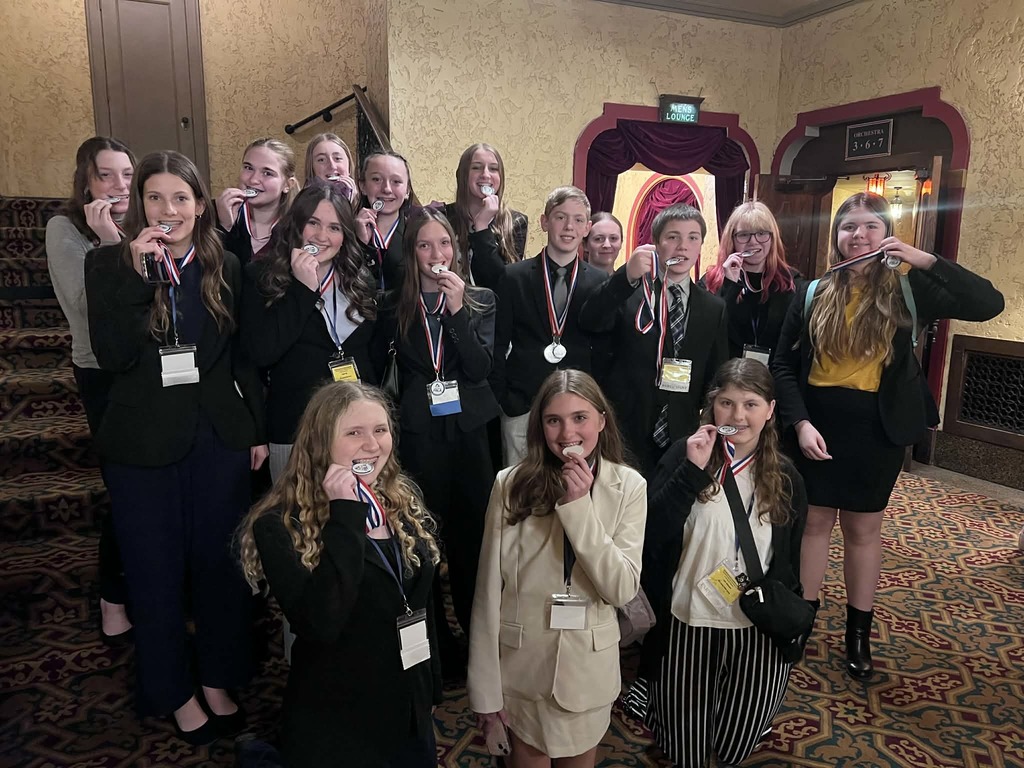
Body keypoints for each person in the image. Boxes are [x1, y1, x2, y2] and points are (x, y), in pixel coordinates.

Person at [772, 192, 1004, 679]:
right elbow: (783, 365)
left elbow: (988, 302)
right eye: (848, 227)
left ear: (886, 233)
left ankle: (858, 635)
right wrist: (800, 422)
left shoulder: (909, 289)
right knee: (813, 526)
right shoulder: (812, 291)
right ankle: (802, 622)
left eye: (869, 226)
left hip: (876, 429)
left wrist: (922, 259)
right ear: (836, 236)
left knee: (862, 530)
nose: (857, 235)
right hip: (816, 425)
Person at [84, 150, 267, 743]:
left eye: (181, 198)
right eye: (156, 198)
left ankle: (217, 675)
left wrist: (255, 428)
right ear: (140, 204)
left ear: (198, 205)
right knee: (155, 571)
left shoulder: (224, 264)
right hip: (141, 445)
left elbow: (241, 357)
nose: (169, 210)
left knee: (221, 565)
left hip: (217, 436)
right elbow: (113, 356)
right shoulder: (108, 265)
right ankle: (173, 690)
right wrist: (136, 281)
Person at [239, 382, 442, 767]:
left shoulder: (402, 500)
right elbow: (321, 623)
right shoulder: (280, 526)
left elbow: (421, 603)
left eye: (380, 430)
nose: (372, 444)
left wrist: (428, 692)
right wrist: (345, 514)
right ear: (320, 443)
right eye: (354, 433)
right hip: (339, 711)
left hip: (406, 701)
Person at [468, 369, 647, 768]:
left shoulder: (629, 487)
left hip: (587, 671)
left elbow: (620, 589)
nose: (567, 432)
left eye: (580, 417)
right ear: (539, 425)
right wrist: (485, 692)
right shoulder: (509, 484)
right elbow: (486, 594)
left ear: (602, 420)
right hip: (522, 670)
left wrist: (579, 506)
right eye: (554, 420)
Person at [637, 358, 807, 768]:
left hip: (755, 625)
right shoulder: (686, 454)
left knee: (735, 746)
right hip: (687, 621)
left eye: (750, 404)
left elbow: (789, 559)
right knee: (686, 754)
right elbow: (650, 534)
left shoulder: (785, 476)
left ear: (769, 410)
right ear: (712, 406)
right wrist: (692, 473)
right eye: (727, 403)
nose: (738, 416)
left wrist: (795, 616)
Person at [371, 208, 499, 676]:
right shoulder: (392, 305)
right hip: (420, 432)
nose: (435, 254)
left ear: (456, 250)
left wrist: (460, 310)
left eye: (443, 244)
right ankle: (436, 648)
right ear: (411, 253)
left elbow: (480, 369)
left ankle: (479, 638)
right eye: (424, 245)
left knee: (473, 541)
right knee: (423, 540)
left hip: (468, 436)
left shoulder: (481, 299)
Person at [45, 135, 135, 643]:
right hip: (101, 369)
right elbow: (88, 309)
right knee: (124, 485)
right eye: (107, 175)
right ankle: (112, 596)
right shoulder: (67, 228)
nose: (120, 185)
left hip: (146, 368)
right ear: (87, 181)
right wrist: (113, 247)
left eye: (126, 174)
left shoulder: (141, 219)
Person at [579, 203, 728, 477]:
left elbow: (715, 375)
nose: (682, 246)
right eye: (673, 237)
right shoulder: (630, 293)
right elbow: (590, 320)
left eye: (692, 238)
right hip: (628, 427)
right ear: (656, 244)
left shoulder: (713, 308)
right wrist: (626, 276)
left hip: (681, 432)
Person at [241, 182, 377, 482]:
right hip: (294, 428)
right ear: (296, 225)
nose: (322, 236)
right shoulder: (260, 277)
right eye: (313, 223)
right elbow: (260, 353)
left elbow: (373, 355)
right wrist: (303, 291)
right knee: (296, 523)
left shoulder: (360, 279)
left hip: (353, 426)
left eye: (334, 228)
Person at [491, 186, 608, 467]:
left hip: (577, 412)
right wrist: (503, 399)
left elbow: (604, 350)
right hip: (522, 406)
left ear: (587, 228)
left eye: (579, 220)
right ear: (544, 222)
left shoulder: (600, 282)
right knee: (519, 489)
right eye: (560, 217)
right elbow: (496, 345)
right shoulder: (513, 277)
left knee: (569, 484)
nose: (569, 226)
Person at [701, 201, 799, 364]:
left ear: (772, 238)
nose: (753, 242)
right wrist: (729, 285)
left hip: (773, 379)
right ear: (731, 239)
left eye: (761, 233)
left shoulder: (791, 282)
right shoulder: (711, 281)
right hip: (726, 376)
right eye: (744, 234)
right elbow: (708, 334)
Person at [444, 142, 528, 290]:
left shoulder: (516, 222)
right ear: (463, 174)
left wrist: (482, 228)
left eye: (494, 169)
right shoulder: (444, 217)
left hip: (494, 310)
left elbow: (498, 282)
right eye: (476, 167)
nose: (486, 174)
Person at [215, 138, 298, 267]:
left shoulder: (299, 227)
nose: (254, 180)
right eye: (248, 168)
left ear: (287, 184)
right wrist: (224, 227)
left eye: (267, 173)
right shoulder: (216, 213)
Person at [354, 151, 415, 293]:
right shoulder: (345, 233)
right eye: (376, 179)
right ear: (362, 186)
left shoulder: (418, 234)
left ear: (407, 190)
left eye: (396, 182)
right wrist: (360, 244)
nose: (387, 189)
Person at [303, 132, 357, 202]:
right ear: (311, 168)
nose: (332, 166)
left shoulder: (366, 202)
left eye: (337, 158)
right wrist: (345, 204)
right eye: (321, 160)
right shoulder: (303, 206)